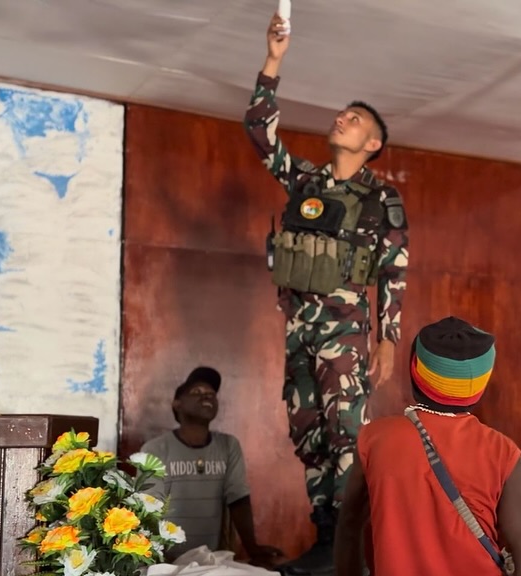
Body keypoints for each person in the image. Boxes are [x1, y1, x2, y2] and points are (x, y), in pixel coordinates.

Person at [243, 11, 410, 575]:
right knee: (306, 430)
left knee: (346, 434)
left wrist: (386, 341)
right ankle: (324, 540)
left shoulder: (379, 199)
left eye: (355, 117)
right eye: (344, 113)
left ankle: (348, 547)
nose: (343, 118)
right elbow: (259, 132)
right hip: (298, 325)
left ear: (374, 142)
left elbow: (393, 271)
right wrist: (274, 61)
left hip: (344, 329)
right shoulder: (305, 181)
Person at [334, 317, 521, 576]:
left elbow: (348, 526)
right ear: (480, 383)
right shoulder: (503, 453)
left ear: (415, 372)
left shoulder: (374, 440)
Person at [141, 367, 284, 566]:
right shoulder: (155, 449)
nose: (206, 396)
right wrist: (158, 561)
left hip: (212, 561)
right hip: (166, 562)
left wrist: (253, 548)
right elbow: (148, 510)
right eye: (196, 393)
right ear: (177, 404)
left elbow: (238, 499)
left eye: (210, 394)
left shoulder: (228, 446)